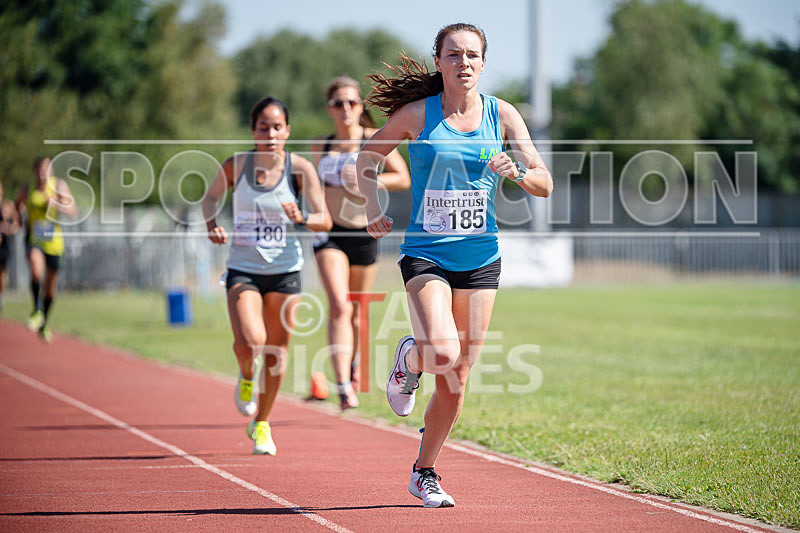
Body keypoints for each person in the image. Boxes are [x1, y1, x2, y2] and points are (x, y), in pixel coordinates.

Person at [357, 23, 553, 507]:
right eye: (453, 54)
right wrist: (371, 207)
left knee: (457, 379)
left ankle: (424, 471)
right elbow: (366, 157)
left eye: (472, 55)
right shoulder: (415, 116)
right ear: (439, 61)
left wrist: (519, 172)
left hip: (481, 256)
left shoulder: (502, 115)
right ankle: (410, 358)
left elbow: (545, 183)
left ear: (483, 63)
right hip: (427, 252)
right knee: (441, 354)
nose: (463, 62)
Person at [202, 96, 331, 455]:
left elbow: (325, 219)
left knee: (275, 352)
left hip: (285, 270)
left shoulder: (299, 169)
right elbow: (210, 198)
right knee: (250, 342)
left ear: (288, 131)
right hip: (244, 267)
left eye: (277, 127)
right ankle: (246, 375)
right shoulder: (236, 165)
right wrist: (212, 224)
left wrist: (301, 217)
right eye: (263, 127)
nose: (271, 134)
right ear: (253, 130)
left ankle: (261, 423)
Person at [312, 76, 410, 410]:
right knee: (339, 305)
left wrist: (370, 177)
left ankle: (353, 366)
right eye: (338, 104)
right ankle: (342, 385)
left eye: (352, 103)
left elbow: (402, 178)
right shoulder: (320, 146)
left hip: (365, 231)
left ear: (360, 106)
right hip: (330, 233)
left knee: (355, 312)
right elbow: (311, 188)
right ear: (330, 109)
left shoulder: (373, 139)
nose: (346, 109)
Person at [15, 157, 78, 341]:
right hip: (34, 239)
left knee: (50, 288)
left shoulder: (58, 185)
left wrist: (55, 202)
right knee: (36, 271)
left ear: (51, 170)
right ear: (35, 171)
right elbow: (17, 205)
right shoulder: (28, 190)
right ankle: (36, 308)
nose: (43, 173)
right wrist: (19, 219)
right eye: (40, 170)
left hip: (54, 243)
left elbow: (72, 211)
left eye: (46, 169)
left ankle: (44, 321)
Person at [0, 180, 21, 312]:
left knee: (1, 273)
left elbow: (17, 225)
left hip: (3, 247)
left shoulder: (7, 206)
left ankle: (0, 296)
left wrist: (7, 228)